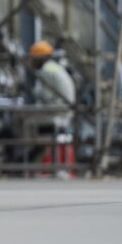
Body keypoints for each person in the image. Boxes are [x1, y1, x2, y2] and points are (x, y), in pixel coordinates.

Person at [26, 40, 76, 173]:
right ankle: (36, 151)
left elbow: (46, 97)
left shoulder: (45, 71)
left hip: (56, 112)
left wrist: (33, 92)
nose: (31, 62)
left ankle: (26, 156)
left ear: (39, 59)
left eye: (33, 59)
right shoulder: (54, 67)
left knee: (22, 120)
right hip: (64, 111)